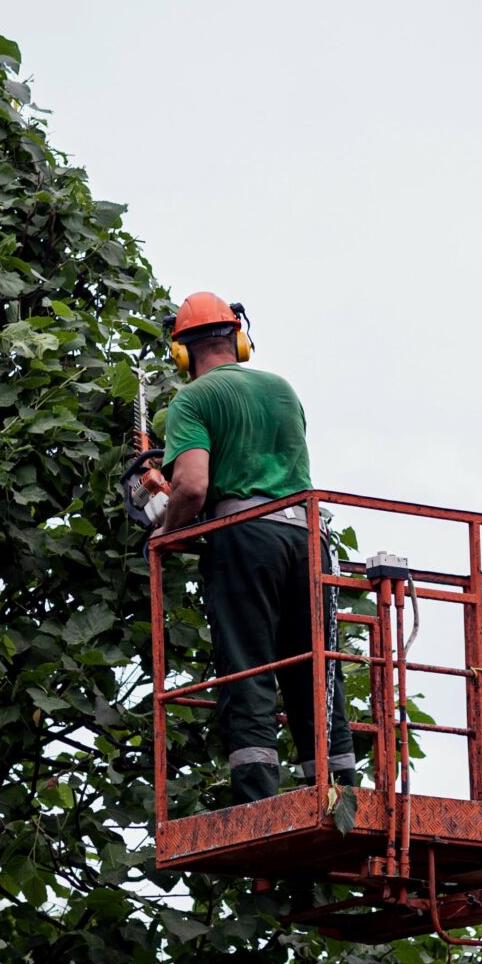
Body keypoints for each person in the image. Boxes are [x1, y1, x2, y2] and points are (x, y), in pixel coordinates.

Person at [154, 292, 356, 804]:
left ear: (182, 353)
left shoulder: (192, 401)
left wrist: (165, 532)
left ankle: (257, 800)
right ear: (238, 339)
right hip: (308, 537)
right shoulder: (283, 391)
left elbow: (194, 487)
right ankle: (337, 793)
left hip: (246, 538)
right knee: (315, 664)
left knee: (248, 666)